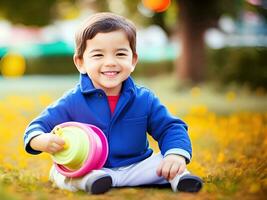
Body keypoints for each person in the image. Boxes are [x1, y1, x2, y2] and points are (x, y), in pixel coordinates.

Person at [23, 12, 203, 195]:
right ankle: (90, 181)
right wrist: (41, 140)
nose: (110, 62)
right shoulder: (72, 100)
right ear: (80, 63)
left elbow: (170, 127)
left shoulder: (144, 99)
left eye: (120, 54)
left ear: (132, 60)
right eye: (98, 55)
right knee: (60, 172)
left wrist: (175, 154)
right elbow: (37, 126)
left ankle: (180, 179)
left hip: (137, 167)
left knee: (165, 163)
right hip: (90, 168)